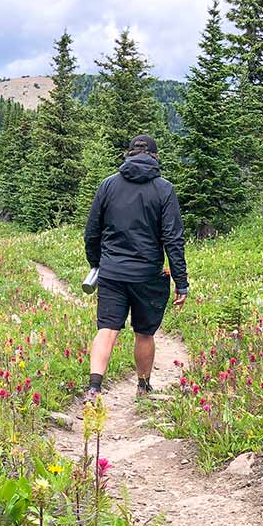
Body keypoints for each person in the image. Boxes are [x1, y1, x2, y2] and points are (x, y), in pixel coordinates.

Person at [83, 133, 188, 400]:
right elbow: (173, 239)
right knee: (144, 333)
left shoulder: (108, 185)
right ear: (155, 157)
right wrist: (181, 280)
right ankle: (143, 387)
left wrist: (97, 264)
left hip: (112, 272)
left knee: (106, 329)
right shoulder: (164, 189)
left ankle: (94, 388)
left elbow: (92, 232)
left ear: (128, 154)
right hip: (147, 275)